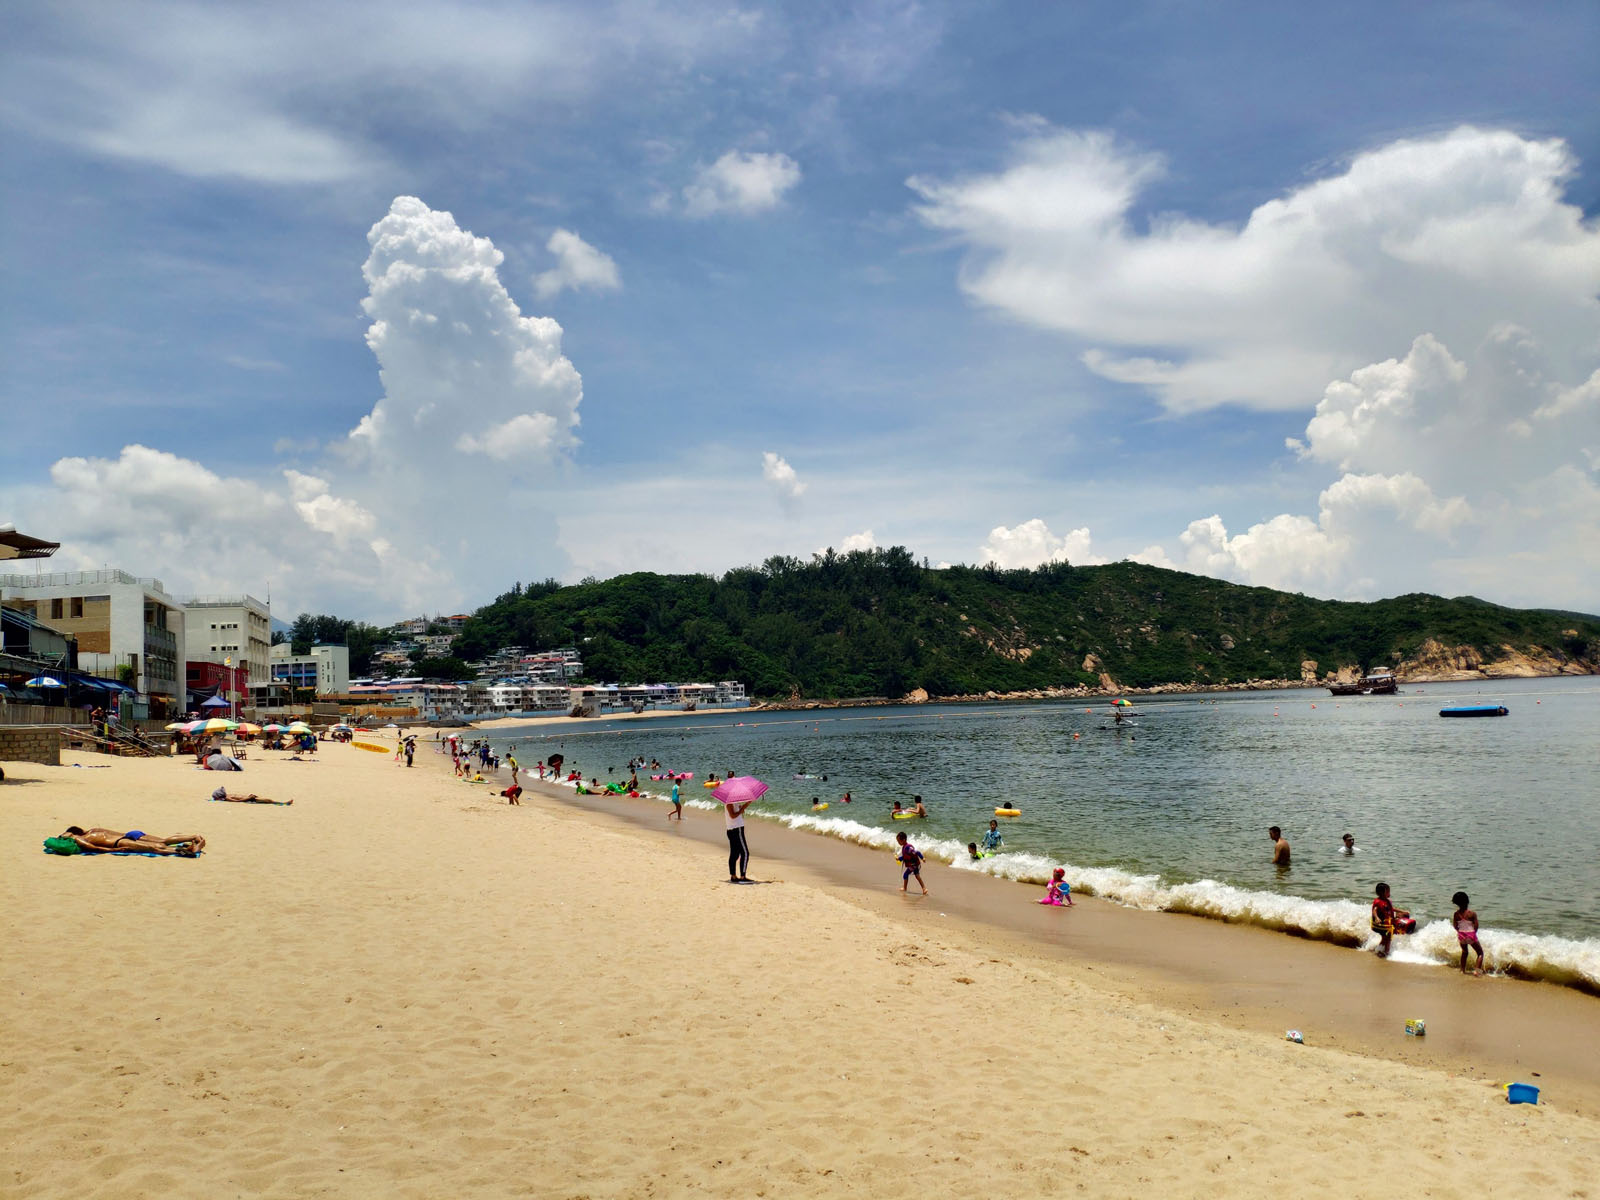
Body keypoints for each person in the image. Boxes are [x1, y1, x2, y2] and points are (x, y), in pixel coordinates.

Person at [57, 827, 204, 856]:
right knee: (163, 840)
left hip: (120, 842)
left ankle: (180, 851)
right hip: (131, 833)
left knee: (156, 848)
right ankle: (193, 837)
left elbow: (91, 847)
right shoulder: (95, 828)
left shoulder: (82, 838)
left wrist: (112, 850)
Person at [1370, 882, 1411, 958]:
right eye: (1388, 891)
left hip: (1387, 923)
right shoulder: (1378, 901)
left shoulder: (1387, 901)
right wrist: (1376, 918)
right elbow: (1374, 910)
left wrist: (1402, 911)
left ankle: (1378, 949)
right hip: (1381, 924)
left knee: (1385, 938)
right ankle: (1386, 952)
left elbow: (1392, 909)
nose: (1389, 893)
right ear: (1382, 893)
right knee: (1388, 938)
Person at [1452, 891, 1485, 975]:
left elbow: (1455, 926)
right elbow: (1476, 926)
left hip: (1461, 935)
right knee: (1480, 953)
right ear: (1467, 901)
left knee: (1464, 952)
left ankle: (1462, 970)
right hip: (1470, 935)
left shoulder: (1456, 914)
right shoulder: (1472, 913)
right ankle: (1477, 972)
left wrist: (1460, 932)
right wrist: (1473, 935)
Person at [725, 800, 751, 882]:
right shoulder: (729, 803)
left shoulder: (735, 801)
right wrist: (741, 810)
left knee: (735, 854)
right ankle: (742, 876)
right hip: (736, 829)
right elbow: (732, 815)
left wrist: (746, 804)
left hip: (733, 829)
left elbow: (740, 812)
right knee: (745, 853)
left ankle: (733, 876)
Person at [211, 785, 288, 805]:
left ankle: (281, 802)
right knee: (269, 800)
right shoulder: (227, 798)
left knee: (267, 800)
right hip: (250, 799)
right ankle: (283, 803)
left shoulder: (227, 795)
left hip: (249, 797)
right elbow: (237, 801)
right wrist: (249, 798)